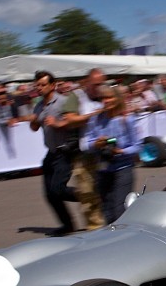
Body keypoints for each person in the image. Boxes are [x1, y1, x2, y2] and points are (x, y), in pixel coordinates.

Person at [29, 70, 79, 236]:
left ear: (52, 85)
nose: (39, 88)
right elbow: (34, 128)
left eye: (43, 85)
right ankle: (67, 225)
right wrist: (34, 121)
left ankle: (89, 196)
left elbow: (74, 123)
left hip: (65, 151)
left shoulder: (63, 102)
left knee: (57, 189)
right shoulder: (38, 105)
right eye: (37, 85)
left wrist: (58, 123)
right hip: (51, 152)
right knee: (50, 195)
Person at [56, 68, 107, 230]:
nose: (98, 88)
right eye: (95, 84)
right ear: (87, 82)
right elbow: (70, 119)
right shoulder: (77, 96)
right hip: (84, 153)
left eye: (101, 84)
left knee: (106, 190)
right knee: (87, 192)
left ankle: (110, 224)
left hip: (106, 152)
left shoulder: (106, 95)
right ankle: (95, 228)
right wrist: (93, 116)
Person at [83, 85, 141, 224]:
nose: (106, 101)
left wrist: (120, 151)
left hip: (123, 167)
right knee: (106, 211)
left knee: (119, 210)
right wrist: (96, 144)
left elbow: (137, 146)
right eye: (103, 98)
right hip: (103, 168)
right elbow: (87, 144)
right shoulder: (95, 119)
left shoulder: (127, 119)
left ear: (118, 99)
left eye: (109, 97)